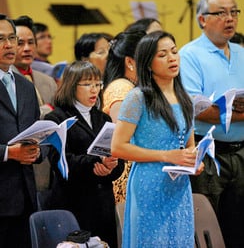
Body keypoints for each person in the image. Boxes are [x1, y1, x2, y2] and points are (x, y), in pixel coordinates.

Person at [111, 30, 204, 247]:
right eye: (162, 54)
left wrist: (195, 161)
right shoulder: (137, 97)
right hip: (148, 183)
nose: (172, 58)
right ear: (148, 63)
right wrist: (166, 155)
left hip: (179, 186)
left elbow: (188, 145)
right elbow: (118, 147)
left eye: (174, 51)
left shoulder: (185, 98)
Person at [179, 0, 244, 247]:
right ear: (202, 19)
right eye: (221, 13)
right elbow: (198, 109)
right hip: (208, 152)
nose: (230, 18)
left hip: (240, 152)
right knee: (209, 225)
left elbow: (216, 109)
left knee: (238, 226)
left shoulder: (240, 52)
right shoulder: (189, 55)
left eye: (234, 12)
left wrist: (228, 112)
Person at [44, 60, 125, 248]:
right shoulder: (56, 118)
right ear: (72, 85)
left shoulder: (103, 118)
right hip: (72, 202)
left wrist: (111, 167)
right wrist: (94, 163)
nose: (94, 90)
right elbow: (59, 160)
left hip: (102, 203)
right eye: (87, 84)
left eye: (98, 84)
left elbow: (117, 159)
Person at [0, 13, 46, 248]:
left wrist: (37, 152)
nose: (10, 45)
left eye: (13, 38)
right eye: (0, 39)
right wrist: (9, 153)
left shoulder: (25, 85)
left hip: (26, 198)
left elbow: (37, 135)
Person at [12, 15, 58, 208]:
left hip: (50, 164)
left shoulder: (47, 80)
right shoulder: (6, 81)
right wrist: (46, 112)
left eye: (31, 42)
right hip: (21, 165)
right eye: (20, 43)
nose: (27, 48)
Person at [102, 30, 146, 205]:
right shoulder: (121, 89)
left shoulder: (133, 87)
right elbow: (124, 139)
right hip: (128, 177)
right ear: (130, 62)